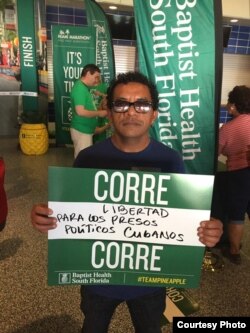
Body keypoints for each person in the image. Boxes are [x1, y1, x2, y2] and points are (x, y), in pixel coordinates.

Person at [31, 72, 223, 333]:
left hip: (150, 281)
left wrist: (208, 229)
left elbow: (184, 219)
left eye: (141, 104)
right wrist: (47, 218)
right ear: (108, 112)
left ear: (153, 113)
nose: (131, 112)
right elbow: (71, 216)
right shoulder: (88, 159)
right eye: (121, 104)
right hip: (97, 279)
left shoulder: (171, 161)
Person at [218, 85, 250, 265]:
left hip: (239, 175)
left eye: (230, 103)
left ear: (234, 105)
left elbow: (216, 151)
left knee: (236, 214)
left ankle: (234, 251)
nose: (228, 107)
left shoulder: (228, 128)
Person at [70, 64, 108, 158]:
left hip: (85, 130)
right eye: (95, 77)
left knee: (84, 158)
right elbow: (80, 111)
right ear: (87, 74)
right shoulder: (80, 89)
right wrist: (99, 113)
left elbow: (95, 91)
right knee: (82, 159)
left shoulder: (84, 87)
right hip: (82, 130)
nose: (96, 80)